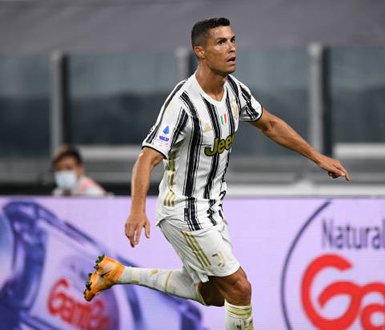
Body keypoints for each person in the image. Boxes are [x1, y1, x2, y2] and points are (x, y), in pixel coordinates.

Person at [83, 17, 350, 329]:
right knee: (240, 288)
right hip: (183, 210)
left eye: (233, 40)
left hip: (211, 210)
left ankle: (117, 273)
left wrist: (317, 158)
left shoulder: (235, 90)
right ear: (201, 51)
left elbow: (271, 124)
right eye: (221, 42)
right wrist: (136, 209)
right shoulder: (182, 104)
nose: (232, 48)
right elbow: (146, 158)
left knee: (214, 295)